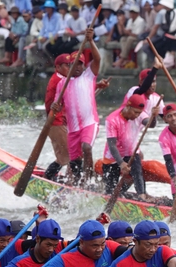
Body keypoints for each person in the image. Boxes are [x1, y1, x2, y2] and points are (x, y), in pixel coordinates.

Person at [52, 30, 101, 186]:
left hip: (90, 123)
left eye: (80, 64)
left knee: (87, 147)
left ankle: (89, 179)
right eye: (74, 64)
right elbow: (58, 107)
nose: (77, 67)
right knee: (74, 163)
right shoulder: (62, 84)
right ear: (69, 65)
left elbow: (98, 58)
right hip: (73, 129)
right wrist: (55, 106)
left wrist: (90, 41)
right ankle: (77, 184)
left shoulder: (89, 76)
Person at [103, 94, 158, 201]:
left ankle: (141, 197)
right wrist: (121, 163)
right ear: (128, 106)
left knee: (137, 171)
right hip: (113, 157)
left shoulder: (140, 115)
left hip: (131, 154)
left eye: (139, 113)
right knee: (110, 191)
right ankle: (116, 193)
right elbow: (112, 145)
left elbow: (150, 125)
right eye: (135, 112)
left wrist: (154, 116)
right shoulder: (112, 120)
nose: (137, 115)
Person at [43, 54, 71, 182]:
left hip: (60, 121)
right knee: (66, 157)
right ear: (58, 67)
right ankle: (49, 177)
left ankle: (54, 177)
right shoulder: (59, 80)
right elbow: (49, 104)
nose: (69, 68)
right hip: (56, 121)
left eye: (71, 65)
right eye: (67, 65)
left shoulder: (62, 78)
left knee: (65, 155)